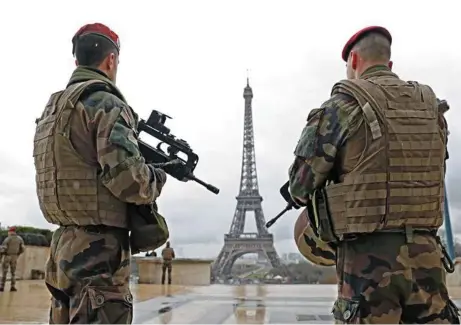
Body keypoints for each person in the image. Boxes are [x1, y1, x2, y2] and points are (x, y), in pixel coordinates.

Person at [288, 26, 459, 324]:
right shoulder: (432, 108)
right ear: (389, 64)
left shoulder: (342, 106)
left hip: (368, 264)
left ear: (353, 61)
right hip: (428, 258)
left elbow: (299, 187)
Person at [33, 23, 169, 323]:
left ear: (77, 61)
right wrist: (157, 177)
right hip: (98, 253)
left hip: (63, 248)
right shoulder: (105, 103)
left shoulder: (53, 111)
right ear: (110, 60)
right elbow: (130, 181)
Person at [0, 227, 25, 292]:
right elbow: (22, 248)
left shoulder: (8, 239)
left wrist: (1, 255)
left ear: (10, 232)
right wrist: (17, 254)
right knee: (13, 273)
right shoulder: (20, 239)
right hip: (15, 257)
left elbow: (3, 249)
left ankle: (2, 286)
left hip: (7, 256)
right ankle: (13, 286)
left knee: (4, 272)